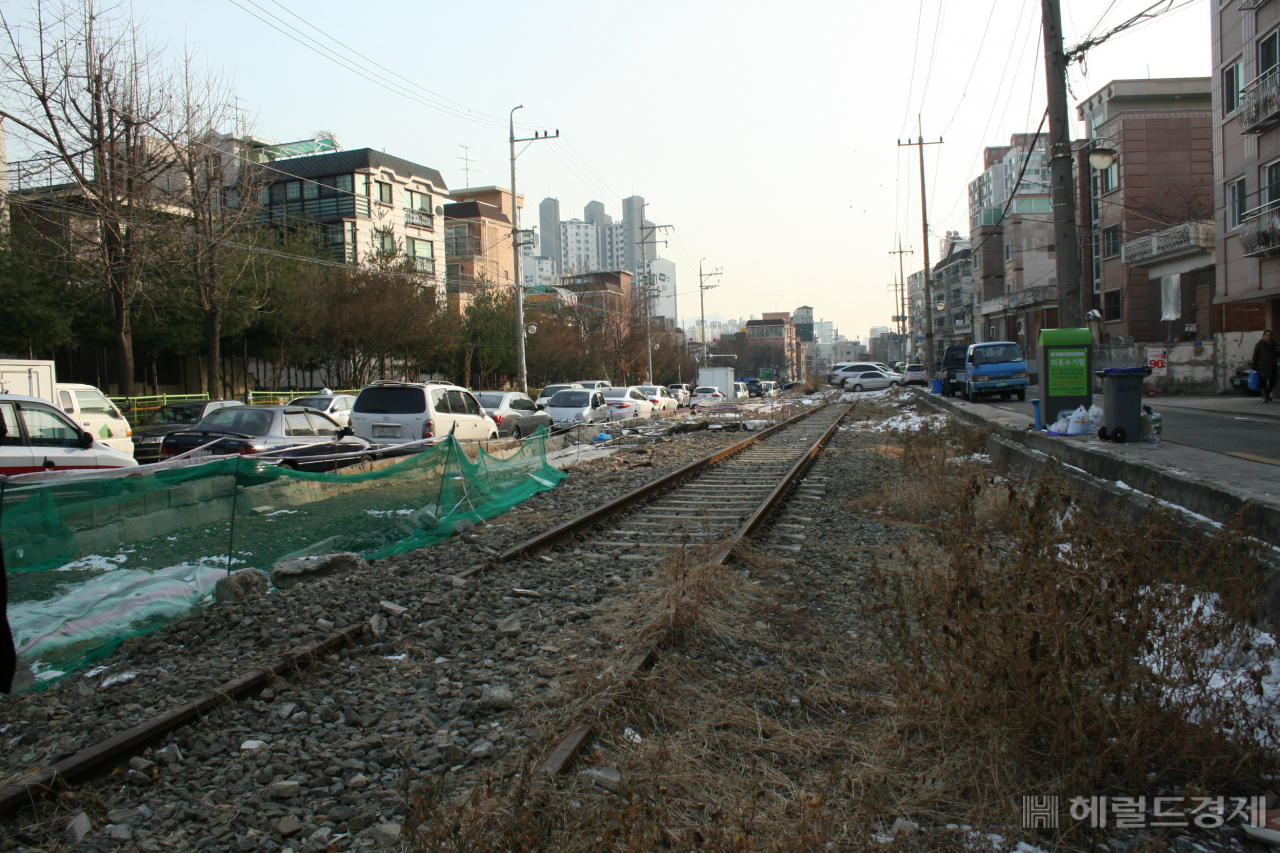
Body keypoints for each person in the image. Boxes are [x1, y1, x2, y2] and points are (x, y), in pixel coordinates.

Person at [1253, 330, 1278, 403]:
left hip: (1272, 366)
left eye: (1270, 335)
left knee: (1273, 381)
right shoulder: (1259, 344)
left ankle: (1267, 394)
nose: (1269, 336)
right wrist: (1254, 366)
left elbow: (1277, 354)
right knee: (1262, 382)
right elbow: (1255, 356)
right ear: (1264, 336)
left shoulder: (1274, 344)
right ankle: (1265, 397)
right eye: (1267, 335)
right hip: (1262, 366)